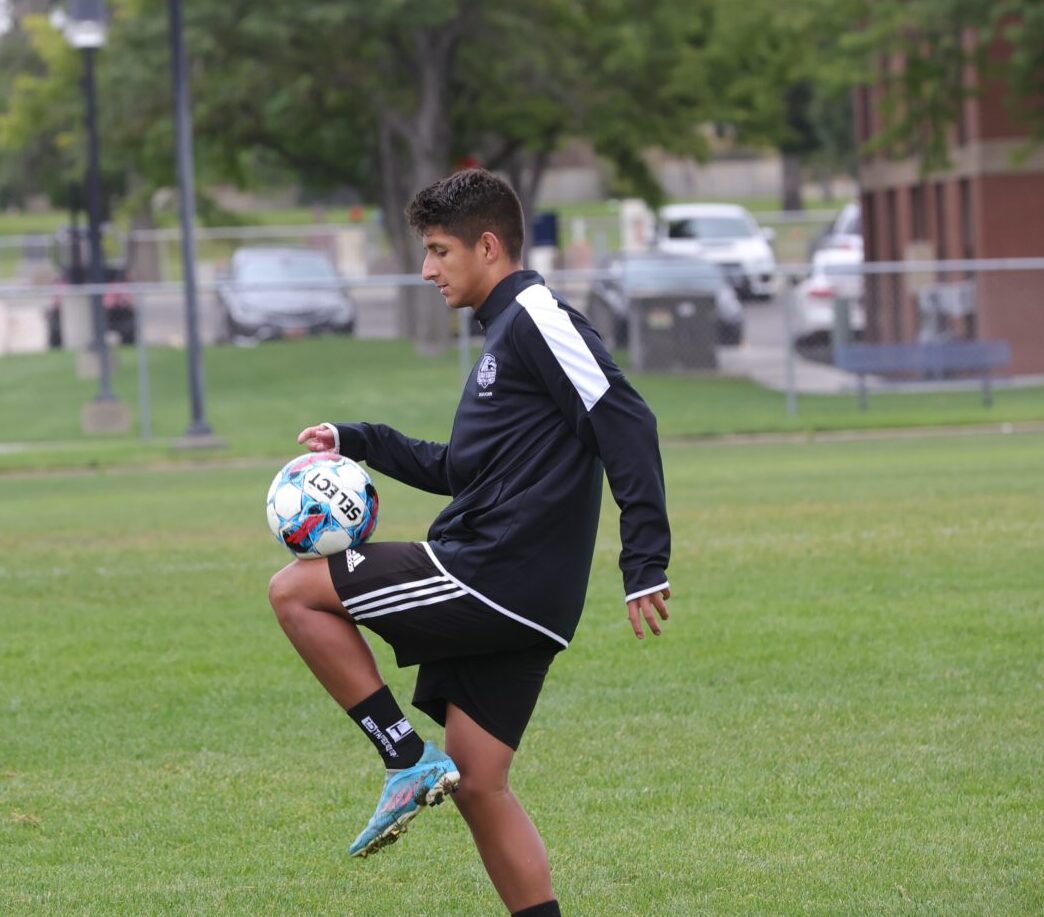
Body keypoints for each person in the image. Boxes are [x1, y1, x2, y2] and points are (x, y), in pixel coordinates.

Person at [268, 168, 671, 917]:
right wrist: (357, 440)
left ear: (488, 247)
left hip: (495, 573)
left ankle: (402, 757)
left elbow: (627, 419)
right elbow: (461, 471)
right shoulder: (504, 336)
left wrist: (644, 560)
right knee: (480, 784)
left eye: (439, 251)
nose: (428, 270)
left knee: (295, 591)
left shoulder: (538, 318)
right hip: (527, 599)